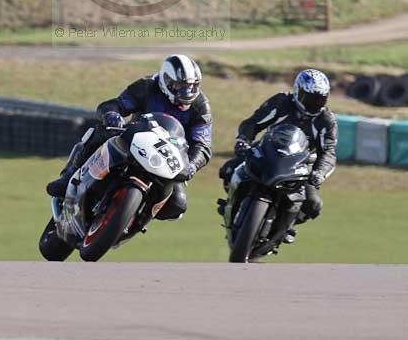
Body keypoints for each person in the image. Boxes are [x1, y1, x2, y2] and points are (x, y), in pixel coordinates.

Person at [47, 54, 212, 220]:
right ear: (166, 81)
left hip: (168, 157)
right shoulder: (146, 86)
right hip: (137, 137)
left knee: (178, 204)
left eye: (192, 86)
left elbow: (202, 145)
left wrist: (192, 165)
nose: (187, 91)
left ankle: (137, 220)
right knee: (102, 132)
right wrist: (112, 115)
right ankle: (68, 176)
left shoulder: (201, 106)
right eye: (180, 86)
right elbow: (114, 105)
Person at [219, 68, 338, 238]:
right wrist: (243, 140)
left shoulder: (326, 120)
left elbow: (328, 151)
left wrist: (319, 173)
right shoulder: (281, 102)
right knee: (229, 169)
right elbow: (253, 122)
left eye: (320, 100)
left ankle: (288, 225)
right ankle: (232, 204)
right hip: (268, 151)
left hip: (301, 164)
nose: (314, 104)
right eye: (310, 99)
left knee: (313, 204)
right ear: (298, 92)